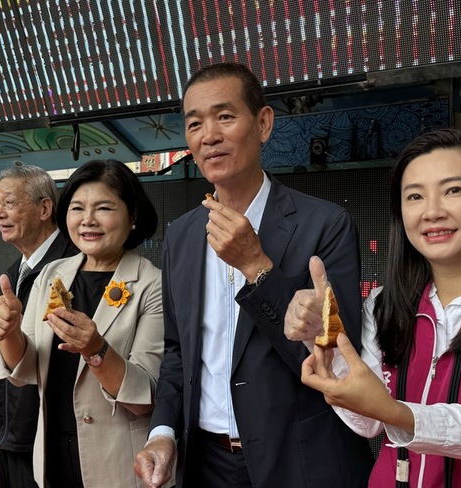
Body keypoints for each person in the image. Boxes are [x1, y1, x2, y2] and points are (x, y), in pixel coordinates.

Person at [134, 62, 374, 488]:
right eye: (195, 124)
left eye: (225, 116)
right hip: (206, 463)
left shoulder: (326, 225)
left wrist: (257, 267)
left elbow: (340, 363)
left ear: (263, 124)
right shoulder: (183, 235)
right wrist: (163, 433)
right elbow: (177, 352)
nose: (209, 135)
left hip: (301, 459)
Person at [285, 128, 461, 486]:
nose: (432, 211)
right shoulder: (385, 303)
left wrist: (395, 412)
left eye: (453, 190)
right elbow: (369, 422)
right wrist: (324, 338)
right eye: (414, 197)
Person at [0, 159, 164, 487]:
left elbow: (145, 395)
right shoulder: (54, 276)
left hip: (118, 459)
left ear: (133, 216)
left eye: (104, 208)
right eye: (77, 208)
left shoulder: (153, 285)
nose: (88, 220)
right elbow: (24, 368)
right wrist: (8, 333)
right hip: (51, 451)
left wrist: (96, 350)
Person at [0, 164, 76, 487]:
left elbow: (53, 347)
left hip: (49, 431)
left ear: (45, 208)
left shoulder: (70, 265)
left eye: (9, 202)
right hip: (12, 425)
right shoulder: (17, 268)